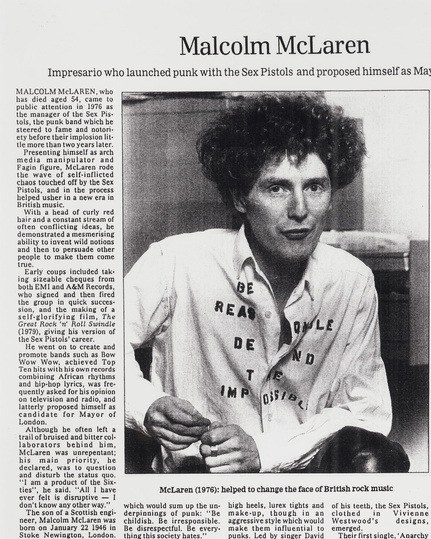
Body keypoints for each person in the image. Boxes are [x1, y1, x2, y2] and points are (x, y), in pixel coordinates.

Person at [125, 93, 409, 474]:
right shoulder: (175, 261)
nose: (300, 210)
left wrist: (265, 451)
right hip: (198, 482)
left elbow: (366, 411)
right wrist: (145, 405)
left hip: (304, 478)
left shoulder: (353, 282)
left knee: (377, 458)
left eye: (315, 187)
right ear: (240, 197)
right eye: (277, 188)